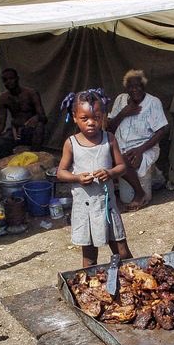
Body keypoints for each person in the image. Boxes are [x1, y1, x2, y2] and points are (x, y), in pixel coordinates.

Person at [56, 88, 133, 268]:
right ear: (75, 117)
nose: (91, 123)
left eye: (96, 118)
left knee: (122, 251)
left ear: (103, 116)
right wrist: (76, 178)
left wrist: (110, 173)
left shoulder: (109, 139)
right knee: (90, 258)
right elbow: (61, 172)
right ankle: (89, 288)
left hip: (107, 206)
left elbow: (122, 166)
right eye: (85, 119)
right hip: (85, 209)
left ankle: (131, 280)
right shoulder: (71, 143)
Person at [107, 69, 168, 211]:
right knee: (106, 158)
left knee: (122, 161)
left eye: (138, 86)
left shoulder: (153, 102)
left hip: (144, 147)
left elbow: (161, 131)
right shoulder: (121, 100)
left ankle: (140, 193)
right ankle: (147, 182)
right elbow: (110, 128)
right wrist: (124, 112)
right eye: (130, 87)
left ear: (144, 86)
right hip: (120, 146)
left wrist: (140, 150)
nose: (134, 90)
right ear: (126, 88)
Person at [0, 68, 47, 164]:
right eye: (5, 80)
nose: (8, 82)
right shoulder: (4, 98)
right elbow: (1, 124)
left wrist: (36, 118)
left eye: (11, 78)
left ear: (17, 79)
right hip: (15, 132)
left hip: (32, 131)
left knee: (39, 127)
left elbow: (43, 118)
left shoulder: (31, 93)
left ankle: (34, 160)